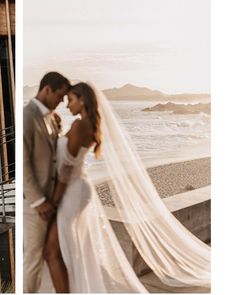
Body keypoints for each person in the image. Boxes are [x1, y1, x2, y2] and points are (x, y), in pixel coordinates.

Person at [43, 82, 210, 293]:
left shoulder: (79, 125)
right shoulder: (90, 125)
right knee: (72, 246)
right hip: (79, 189)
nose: (67, 106)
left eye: (71, 100)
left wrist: (53, 200)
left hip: (72, 191)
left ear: (83, 100)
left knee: (56, 248)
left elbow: (66, 169)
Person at [23, 72, 70, 293]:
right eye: (60, 96)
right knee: (33, 259)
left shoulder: (51, 118)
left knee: (50, 254)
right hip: (35, 205)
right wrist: (39, 201)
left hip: (54, 202)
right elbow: (22, 164)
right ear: (47, 89)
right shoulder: (27, 117)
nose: (61, 102)